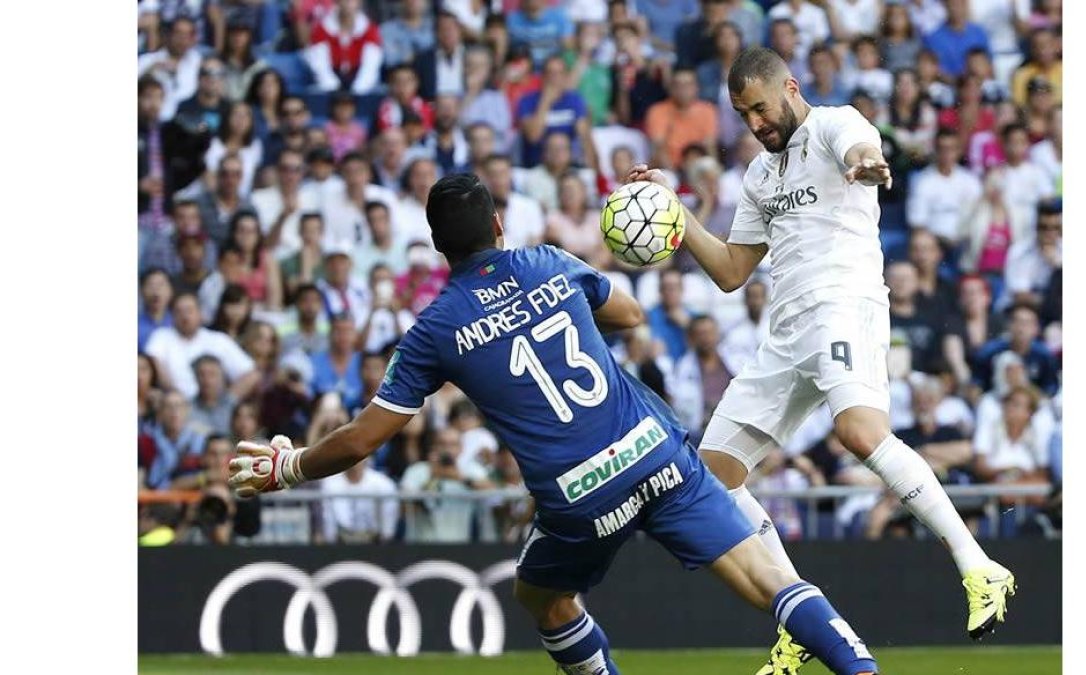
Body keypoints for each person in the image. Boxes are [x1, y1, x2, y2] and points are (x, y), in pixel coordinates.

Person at [229, 173, 880, 675]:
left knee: (542, 597)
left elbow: (366, 435)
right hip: (655, 452)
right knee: (771, 578)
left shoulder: (434, 329)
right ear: (498, 223)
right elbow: (627, 314)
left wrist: (290, 465)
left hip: (580, 493)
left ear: (436, 244)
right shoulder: (547, 262)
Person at [627, 47, 1014, 669]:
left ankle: (980, 566)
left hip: (843, 305)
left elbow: (864, 152)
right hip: (783, 333)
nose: (754, 122)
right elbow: (731, 271)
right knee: (713, 477)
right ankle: (800, 611)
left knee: (859, 431)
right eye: (742, 114)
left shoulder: (837, 125)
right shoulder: (759, 176)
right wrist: (676, 213)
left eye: (759, 107)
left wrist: (869, 165)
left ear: (790, 88)